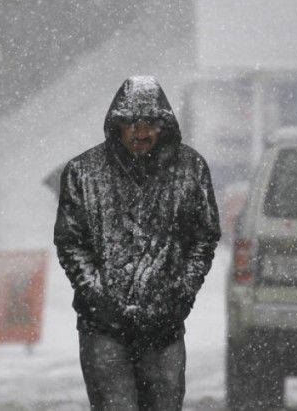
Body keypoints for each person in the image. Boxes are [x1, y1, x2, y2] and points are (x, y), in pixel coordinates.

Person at [54, 76, 221, 410]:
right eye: (132, 123)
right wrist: (97, 294)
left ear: (164, 125)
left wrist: (182, 291)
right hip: (102, 327)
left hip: (165, 327)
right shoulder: (83, 173)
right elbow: (71, 243)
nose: (141, 132)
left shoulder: (191, 169)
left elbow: (203, 238)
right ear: (118, 125)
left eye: (149, 124)